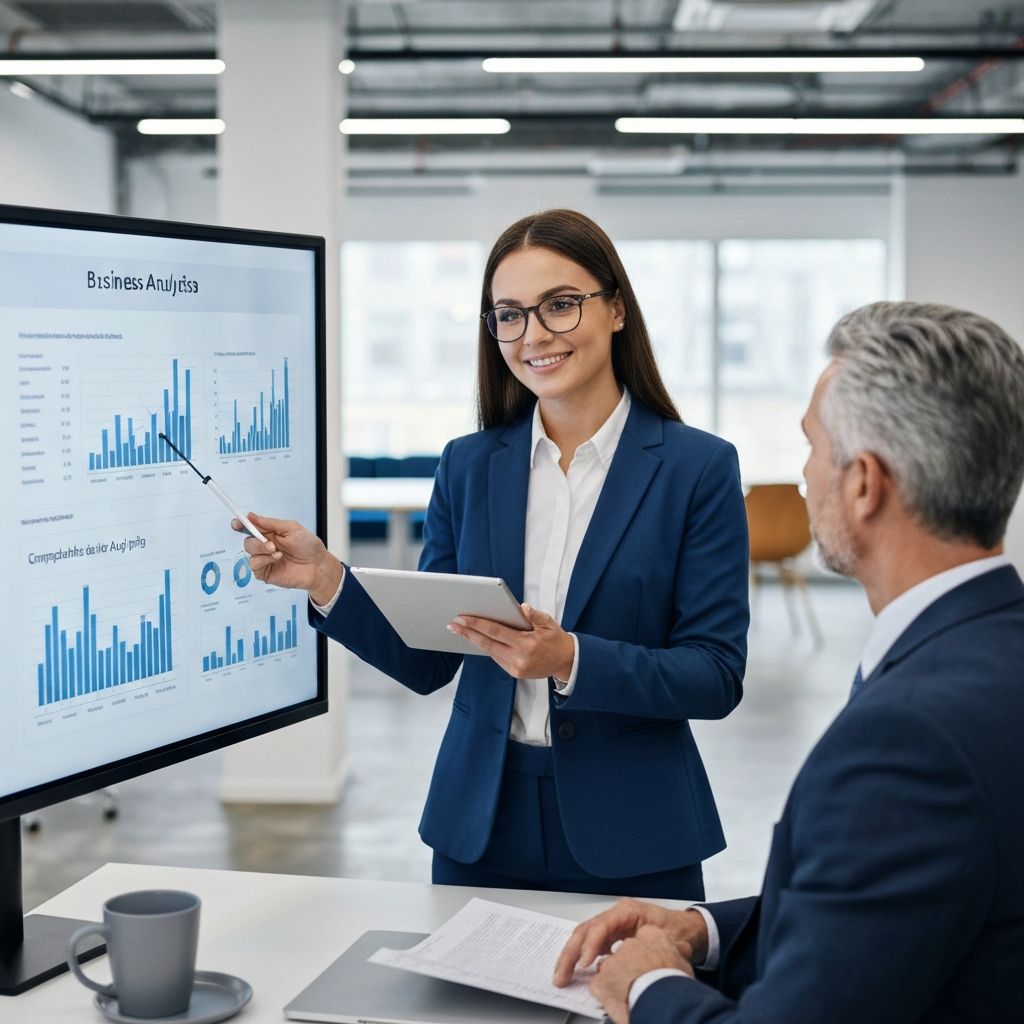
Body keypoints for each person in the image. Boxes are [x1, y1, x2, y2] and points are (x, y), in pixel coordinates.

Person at [237, 208, 749, 899]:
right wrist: (328, 579)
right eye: (509, 314)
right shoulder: (469, 466)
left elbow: (714, 674)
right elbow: (427, 662)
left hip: (635, 830)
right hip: (479, 824)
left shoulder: (696, 468)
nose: (534, 335)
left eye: (560, 306)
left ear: (617, 309)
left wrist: (569, 659)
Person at [553, 300, 1024, 1022]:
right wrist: (701, 931)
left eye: (812, 446)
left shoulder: (912, 739)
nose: (805, 476)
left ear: (865, 483)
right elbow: (883, 905)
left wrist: (647, 986)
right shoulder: (991, 651)